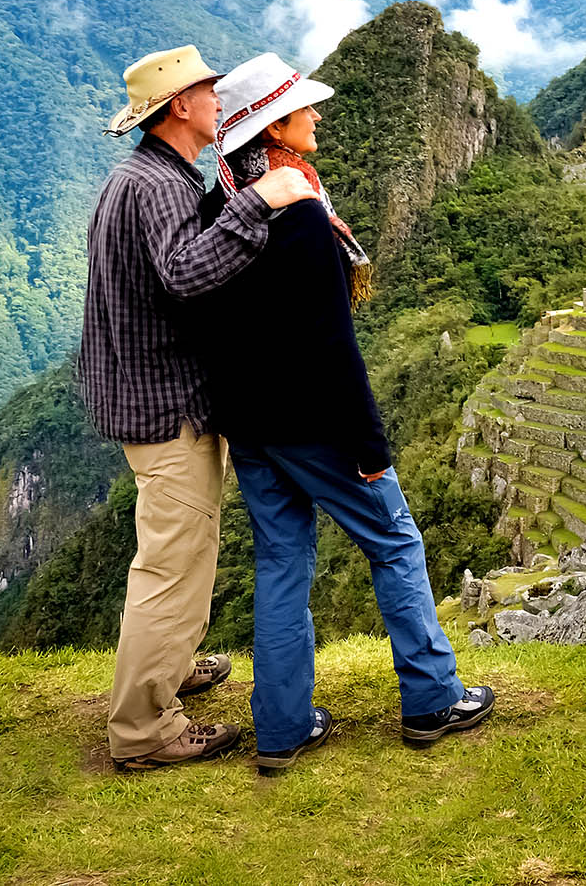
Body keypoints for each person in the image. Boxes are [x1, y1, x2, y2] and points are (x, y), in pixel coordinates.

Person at [195, 55, 494, 774]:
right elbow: (332, 343)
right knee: (395, 540)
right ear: (276, 127)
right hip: (315, 423)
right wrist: (369, 443)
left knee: (281, 564)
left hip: (254, 428)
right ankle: (430, 697)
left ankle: (283, 726)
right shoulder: (298, 215)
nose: (317, 116)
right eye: (304, 108)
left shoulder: (220, 207)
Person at [80, 45, 320, 772]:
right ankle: (145, 727)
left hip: (143, 393)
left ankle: (170, 664)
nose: (219, 101)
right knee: (172, 563)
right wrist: (259, 200)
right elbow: (187, 273)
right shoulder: (157, 186)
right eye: (209, 92)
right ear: (179, 106)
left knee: (185, 549)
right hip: (165, 403)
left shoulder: (145, 176)